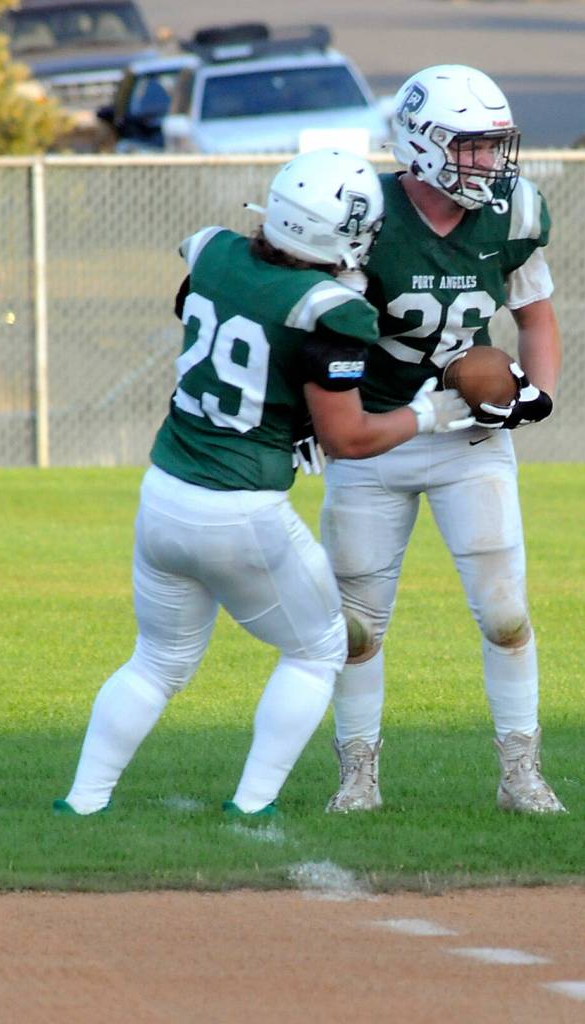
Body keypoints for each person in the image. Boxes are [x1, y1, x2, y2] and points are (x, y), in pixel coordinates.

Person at [53, 147, 474, 820]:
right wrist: (429, 414)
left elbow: (213, 321)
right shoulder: (331, 309)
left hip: (164, 494)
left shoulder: (213, 253)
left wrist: (283, 410)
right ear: (344, 232)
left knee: (157, 661)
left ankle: (82, 802)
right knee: (320, 650)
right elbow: (348, 439)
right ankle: (253, 806)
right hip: (242, 510)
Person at [321, 66, 567, 815]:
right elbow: (317, 330)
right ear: (420, 144)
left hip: (467, 435)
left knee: (505, 613)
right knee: (357, 625)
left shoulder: (511, 213)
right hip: (373, 434)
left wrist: (538, 393)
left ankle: (521, 773)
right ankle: (357, 774)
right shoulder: (364, 214)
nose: (487, 162)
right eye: (469, 146)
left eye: (493, 146)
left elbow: (535, 316)